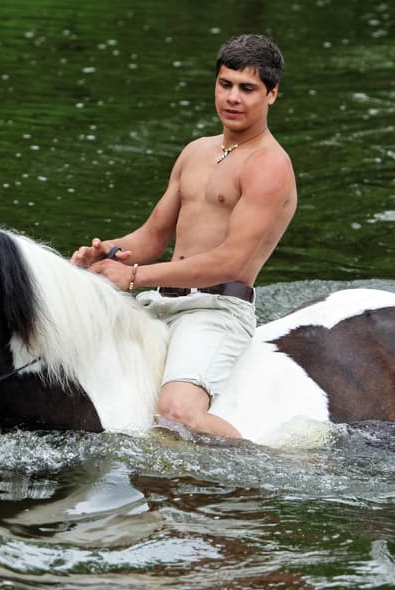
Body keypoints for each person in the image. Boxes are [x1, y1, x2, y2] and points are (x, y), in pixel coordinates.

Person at [70, 34, 296, 439]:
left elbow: (231, 261)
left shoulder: (269, 165)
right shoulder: (196, 151)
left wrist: (134, 277)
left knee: (176, 414)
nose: (233, 98)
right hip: (160, 303)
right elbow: (153, 237)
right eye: (225, 84)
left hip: (216, 310)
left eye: (247, 89)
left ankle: (284, 462)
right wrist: (107, 254)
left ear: (272, 94)